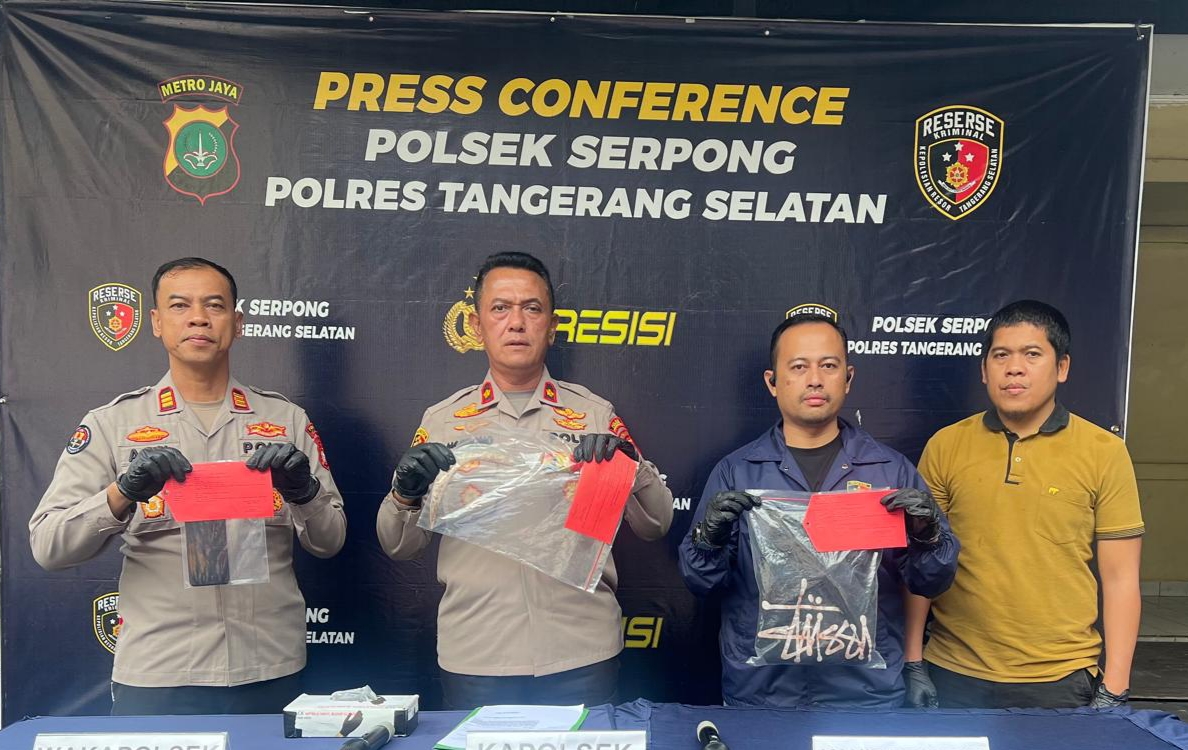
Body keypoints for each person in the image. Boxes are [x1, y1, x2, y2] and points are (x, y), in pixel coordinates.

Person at [29, 257, 346, 715]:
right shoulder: (112, 423)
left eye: (214, 305)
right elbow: (48, 546)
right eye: (180, 306)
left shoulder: (285, 420)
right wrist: (122, 494)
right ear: (156, 322)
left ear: (238, 322)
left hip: (269, 667)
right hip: (160, 672)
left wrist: (304, 492)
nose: (198, 317)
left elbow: (330, 541)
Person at [377, 251, 672, 709]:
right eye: (500, 308)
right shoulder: (442, 422)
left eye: (532, 308)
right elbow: (399, 546)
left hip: (581, 652)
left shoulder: (593, 415)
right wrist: (405, 493)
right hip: (478, 654)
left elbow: (656, 524)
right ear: (476, 325)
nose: (516, 322)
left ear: (551, 326)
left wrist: (631, 467)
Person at [678, 307, 958, 708]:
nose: (814, 379)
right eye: (798, 366)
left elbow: (930, 581)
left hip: (864, 693)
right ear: (772, 382)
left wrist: (928, 539)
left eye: (829, 365)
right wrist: (708, 542)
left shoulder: (889, 471)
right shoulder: (737, 472)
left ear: (848, 377)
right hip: (763, 691)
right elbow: (701, 583)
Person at [904, 300, 1143, 709]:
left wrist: (1115, 687)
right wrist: (913, 662)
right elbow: (921, 561)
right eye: (1001, 355)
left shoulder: (1104, 452)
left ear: (1062, 367)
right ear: (984, 370)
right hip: (953, 672)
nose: (1014, 368)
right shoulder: (946, 446)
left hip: (1060, 677)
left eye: (1032, 354)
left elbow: (1121, 578)